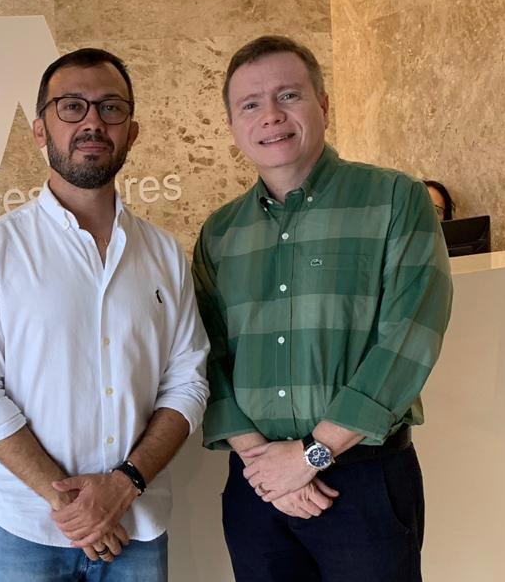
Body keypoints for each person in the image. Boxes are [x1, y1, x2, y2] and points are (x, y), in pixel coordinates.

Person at [192, 35, 453, 582]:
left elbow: (410, 337)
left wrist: (311, 455)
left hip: (363, 480)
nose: (270, 115)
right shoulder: (219, 233)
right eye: (250, 104)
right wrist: (265, 464)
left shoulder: (395, 199)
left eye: (288, 95)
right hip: (257, 486)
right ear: (233, 126)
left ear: (324, 105)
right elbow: (206, 355)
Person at [0, 48, 210, 581]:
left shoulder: (163, 253)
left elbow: (188, 383)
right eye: (72, 107)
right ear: (40, 130)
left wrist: (122, 487)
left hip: (136, 524)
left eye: (111, 108)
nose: (92, 122)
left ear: (132, 132)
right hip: (26, 528)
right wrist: (75, 506)